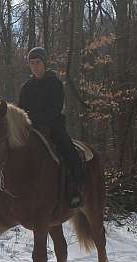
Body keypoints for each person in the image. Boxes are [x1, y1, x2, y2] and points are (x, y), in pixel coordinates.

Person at [18, 46, 86, 208]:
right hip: (30, 127)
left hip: (52, 125)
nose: (35, 66)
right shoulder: (26, 87)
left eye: (38, 62)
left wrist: (33, 118)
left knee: (66, 147)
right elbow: (20, 110)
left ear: (44, 63)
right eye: (32, 63)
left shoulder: (55, 83)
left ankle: (76, 187)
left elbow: (55, 109)